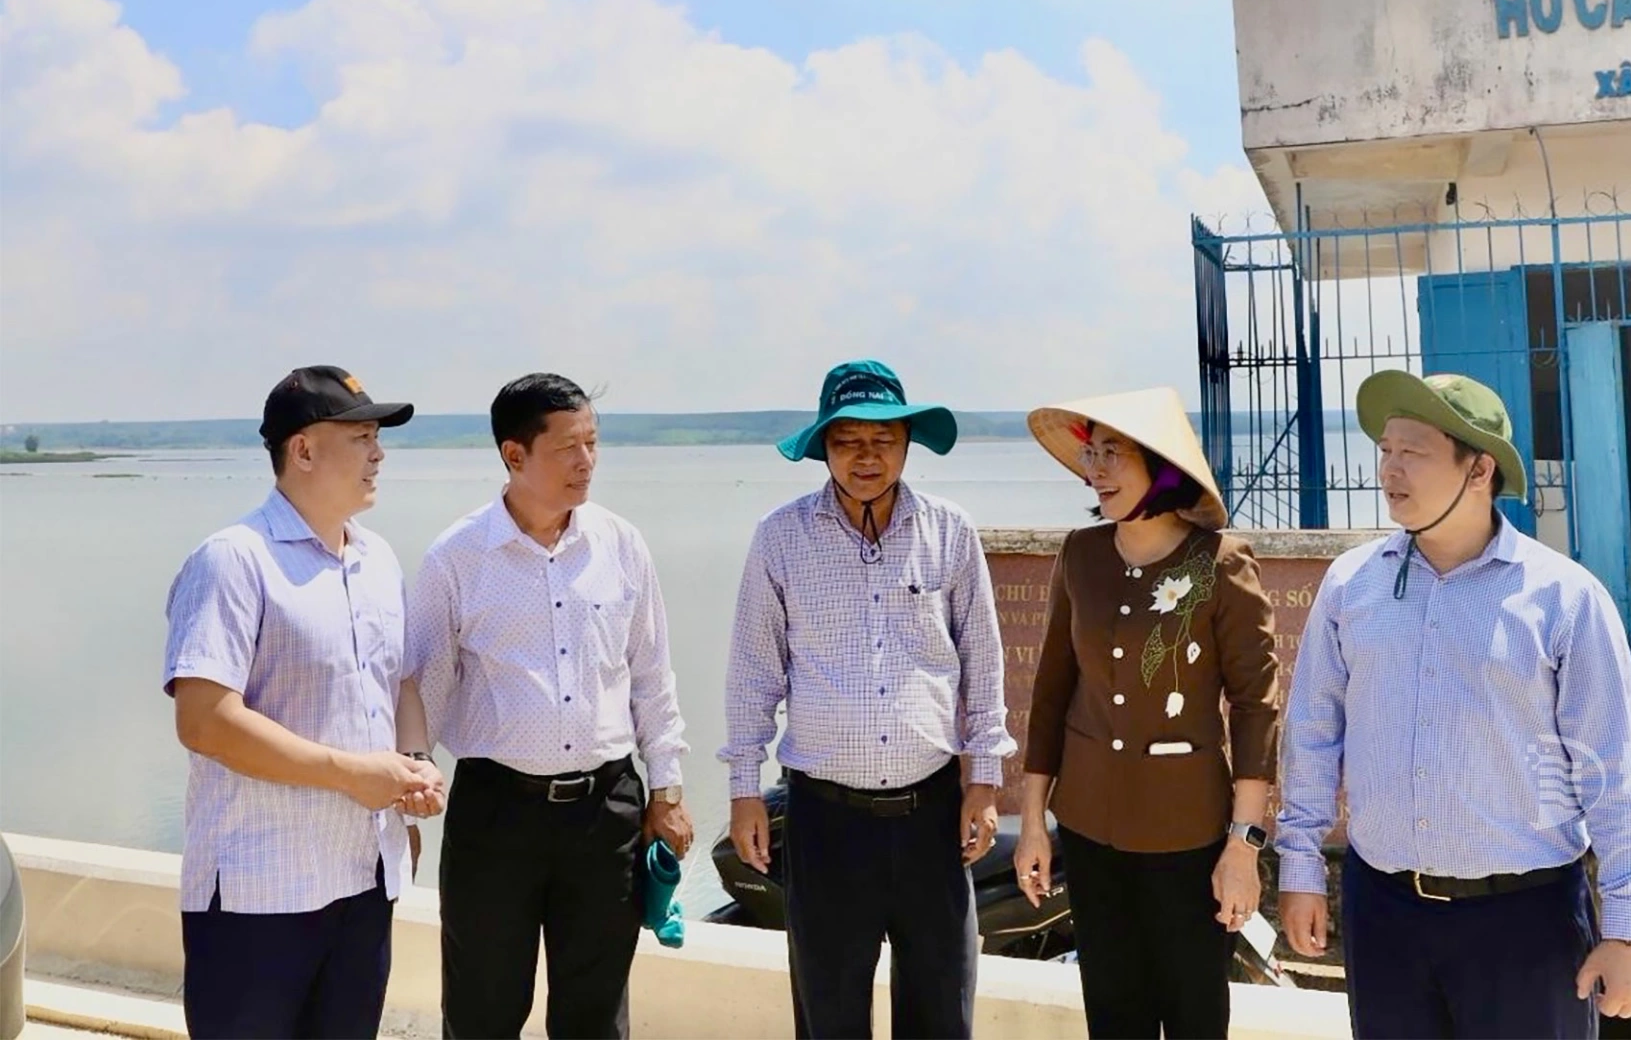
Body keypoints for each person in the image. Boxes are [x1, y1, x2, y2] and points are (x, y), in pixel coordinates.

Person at [1276, 369, 1631, 1039]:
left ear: (1479, 468)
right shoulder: (1352, 585)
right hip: (1384, 911)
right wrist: (1301, 866)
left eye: (1414, 452)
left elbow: (1613, 769)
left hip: (1527, 921)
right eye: (1385, 450)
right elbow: (1312, 733)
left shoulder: (1563, 598)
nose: (1389, 470)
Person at [721, 359, 1016, 1039]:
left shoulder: (950, 531)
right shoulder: (780, 537)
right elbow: (752, 673)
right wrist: (743, 790)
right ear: (823, 447)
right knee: (830, 1014)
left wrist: (984, 781)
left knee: (942, 1010)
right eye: (848, 440)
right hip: (826, 819)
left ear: (907, 444)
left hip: (933, 814)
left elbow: (984, 662)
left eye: (883, 440)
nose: (866, 457)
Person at [404, 373, 692, 1040]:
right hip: (495, 814)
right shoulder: (456, 559)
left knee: (595, 1016)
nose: (586, 461)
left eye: (593, 442)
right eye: (567, 448)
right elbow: (420, 689)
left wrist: (668, 789)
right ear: (514, 455)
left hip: (607, 812)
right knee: (483, 1010)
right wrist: (406, 786)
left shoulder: (620, 544)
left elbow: (651, 675)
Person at [162, 366, 444, 1040]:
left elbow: (399, 681)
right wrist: (352, 774)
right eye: (362, 437)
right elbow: (205, 722)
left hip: (363, 878)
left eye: (379, 438)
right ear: (304, 450)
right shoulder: (234, 560)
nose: (379, 454)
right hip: (259, 893)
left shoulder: (376, 561)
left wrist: (411, 767)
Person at [1014, 388, 1280, 1039]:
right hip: (1088, 830)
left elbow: (1255, 708)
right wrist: (1031, 823)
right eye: (1090, 454)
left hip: (1188, 838)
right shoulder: (1081, 554)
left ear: (1160, 469)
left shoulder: (1220, 563)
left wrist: (1242, 847)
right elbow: (1050, 694)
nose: (1094, 470)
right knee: (1113, 1015)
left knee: (1194, 1015)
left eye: (1113, 455)